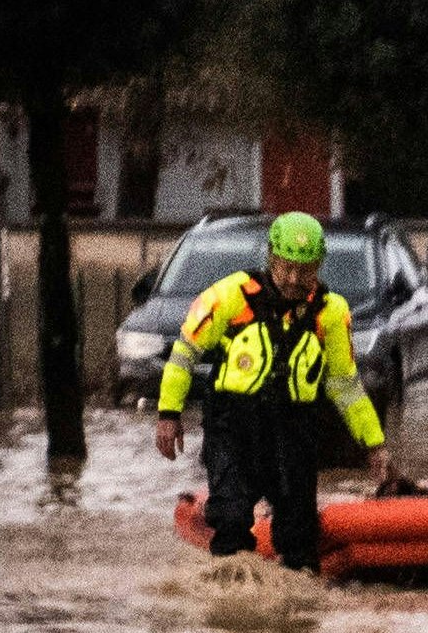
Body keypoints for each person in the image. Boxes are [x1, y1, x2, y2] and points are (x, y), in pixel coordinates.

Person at [154, 211, 388, 573]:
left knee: (299, 534)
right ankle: (232, 602)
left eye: (306, 269)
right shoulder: (231, 296)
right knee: (231, 516)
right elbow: (184, 355)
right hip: (233, 423)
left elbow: (345, 386)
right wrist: (169, 414)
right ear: (271, 259)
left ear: (319, 265)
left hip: (295, 427)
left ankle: (297, 606)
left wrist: (375, 445)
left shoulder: (330, 313)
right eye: (286, 268)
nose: (294, 279)